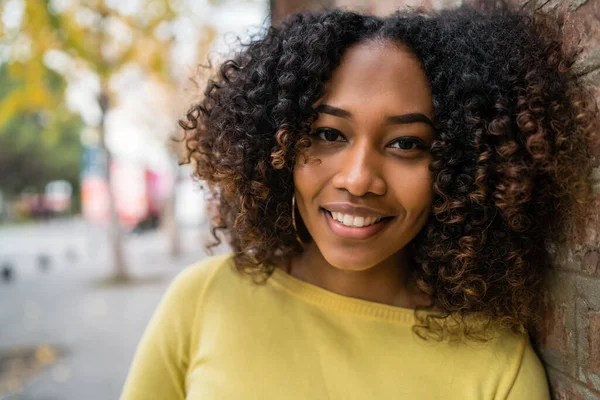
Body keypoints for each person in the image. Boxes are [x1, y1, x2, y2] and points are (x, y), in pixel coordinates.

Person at [121, 3, 597, 399]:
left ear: (465, 168)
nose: (358, 178)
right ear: (275, 149)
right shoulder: (203, 300)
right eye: (329, 134)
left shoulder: (499, 366)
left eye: (407, 143)